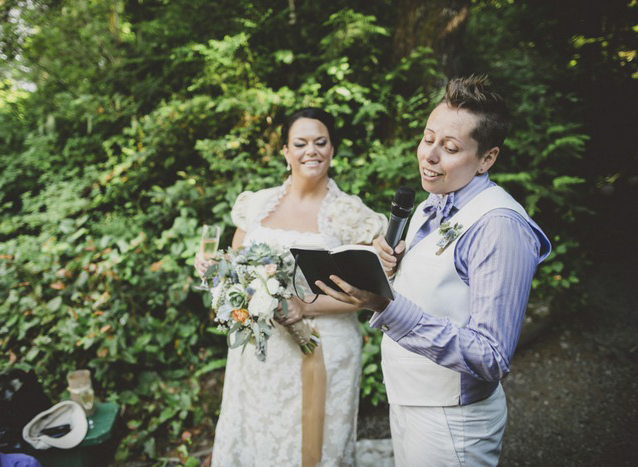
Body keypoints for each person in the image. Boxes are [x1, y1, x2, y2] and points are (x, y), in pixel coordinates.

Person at [316, 75, 551, 466]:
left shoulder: (500, 226)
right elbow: (437, 286)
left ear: (487, 159)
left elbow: (492, 356)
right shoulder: (430, 202)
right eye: (428, 139)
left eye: (451, 147)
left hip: (453, 420)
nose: (430, 156)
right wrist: (390, 269)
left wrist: (386, 307)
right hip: (408, 399)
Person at [194, 107, 387, 466]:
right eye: (300, 143)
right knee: (256, 436)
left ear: (332, 149)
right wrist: (214, 269)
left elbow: (367, 296)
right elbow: (234, 267)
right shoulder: (258, 204)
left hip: (324, 347)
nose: (310, 150)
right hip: (260, 350)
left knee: (313, 445)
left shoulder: (351, 214)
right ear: (285, 151)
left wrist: (303, 306)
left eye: (320, 142)